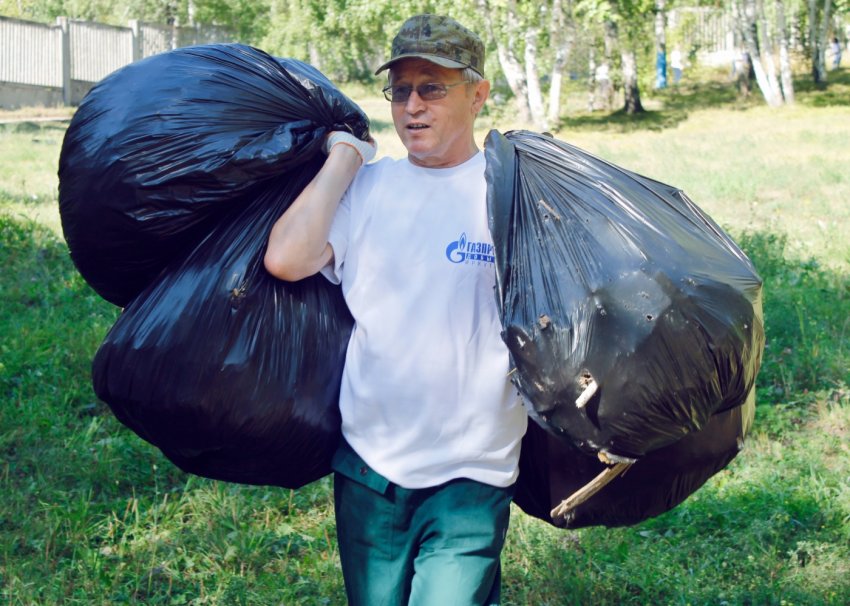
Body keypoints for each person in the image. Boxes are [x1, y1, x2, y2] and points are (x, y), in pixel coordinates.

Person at [264, 14, 528, 606]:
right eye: (401, 89)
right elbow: (286, 258)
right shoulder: (370, 190)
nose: (413, 106)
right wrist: (346, 161)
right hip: (371, 469)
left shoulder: (510, 194)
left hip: (472, 472)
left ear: (478, 94)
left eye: (432, 87)